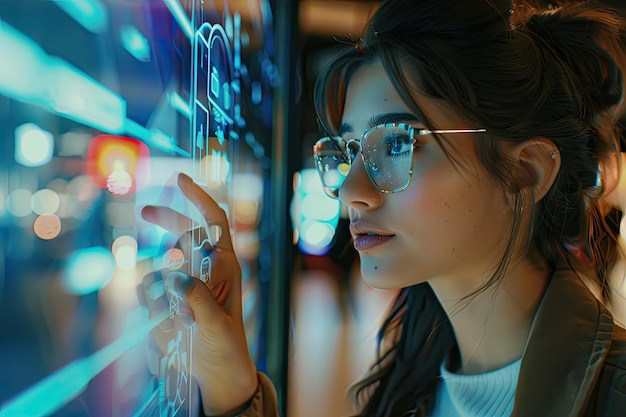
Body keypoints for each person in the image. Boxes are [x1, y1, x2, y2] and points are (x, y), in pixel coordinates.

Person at [141, 0, 626, 415]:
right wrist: (229, 382)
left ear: (528, 170)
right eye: (349, 151)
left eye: (396, 145)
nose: (351, 190)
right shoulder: (413, 376)